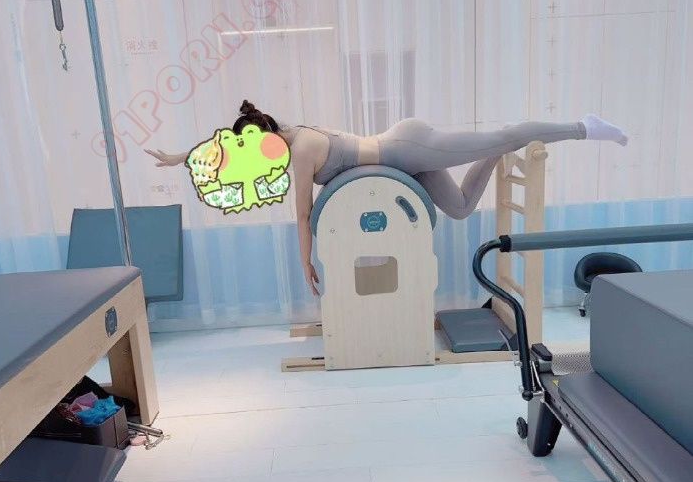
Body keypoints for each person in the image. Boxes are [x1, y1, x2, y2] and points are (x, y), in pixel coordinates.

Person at [146, 100, 628, 296]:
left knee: (503, 135)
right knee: (461, 208)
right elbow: (229, 150)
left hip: (408, 148)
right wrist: (180, 157)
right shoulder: (290, 138)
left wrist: (305, 260)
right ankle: (498, 148)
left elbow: (303, 216)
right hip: (404, 156)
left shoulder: (302, 150)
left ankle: (583, 127)